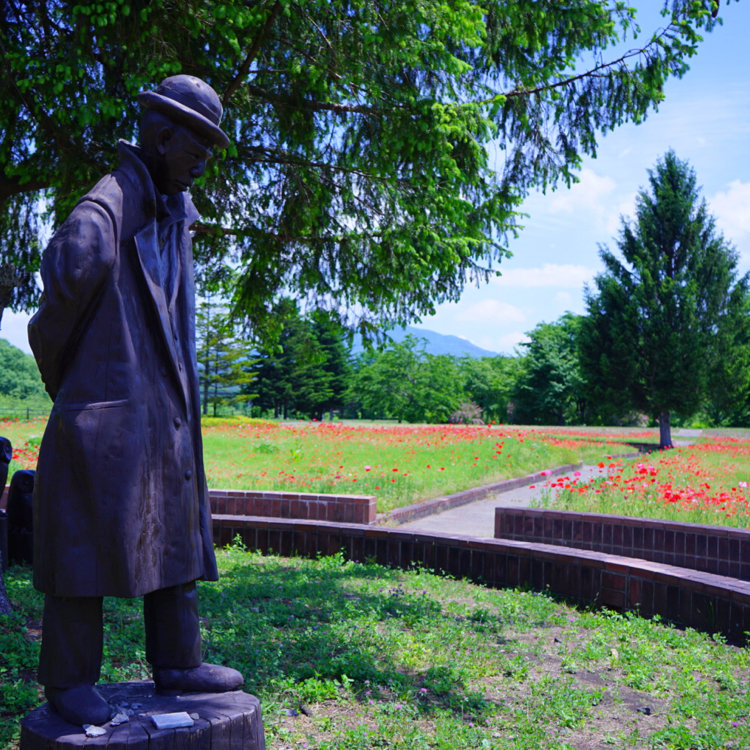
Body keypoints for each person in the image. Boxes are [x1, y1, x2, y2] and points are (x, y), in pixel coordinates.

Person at [28, 75, 243, 726]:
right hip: (106, 416)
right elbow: (53, 314)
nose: (203, 161)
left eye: (211, 148)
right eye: (195, 146)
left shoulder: (173, 211)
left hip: (162, 412)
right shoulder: (105, 212)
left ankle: (178, 660)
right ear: (160, 134)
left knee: (176, 524)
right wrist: (87, 396)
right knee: (83, 551)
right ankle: (68, 681)